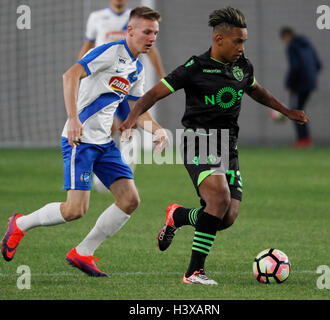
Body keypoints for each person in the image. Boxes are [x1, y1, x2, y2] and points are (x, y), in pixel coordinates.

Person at [120, 7, 308, 285]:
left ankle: (178, 215)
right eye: (238, 41)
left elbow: (256, 89)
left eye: (244, 41)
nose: (242, 47)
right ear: (219, 39)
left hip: (228, 146)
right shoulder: (195, 67)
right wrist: (132, 118)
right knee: (218, 199)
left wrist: (286, 110)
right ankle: (193, 272)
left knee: (226, 216)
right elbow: (153, 93)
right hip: (198, 140)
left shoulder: (242, 66)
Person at [0, 7, 169, 277]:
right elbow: (69, 75)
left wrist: (158, 130)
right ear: (131, 30)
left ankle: (83, 252)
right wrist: (73, 119)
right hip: (79, 140)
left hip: (104, 143)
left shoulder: (137, 68)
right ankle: (20, 223)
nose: (152, 38)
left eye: (156, 33)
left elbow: (136, 111)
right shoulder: (109, 52)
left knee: (129, 200)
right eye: (147, 32)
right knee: (75, 210)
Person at [79, 0, 166, 193]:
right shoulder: (97, 18)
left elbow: (152, 51)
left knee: (131, 125)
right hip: (102, 85)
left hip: (127, 82)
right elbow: (87, 46)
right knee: (107, 128)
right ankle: (100, 173)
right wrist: (79, 72)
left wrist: (161, 76)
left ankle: (124, 172)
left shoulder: (139, 20)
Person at [280, 27, 321, 148]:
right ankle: (305, 139)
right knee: (299, 109)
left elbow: (295, 67)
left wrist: (288, 83)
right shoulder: (308, 45)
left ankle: (303, 140)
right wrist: (311, 77)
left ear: (286, 36)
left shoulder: (292, 46)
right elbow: (318, 64)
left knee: (295, 110)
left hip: (300, 83)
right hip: (310, 82)